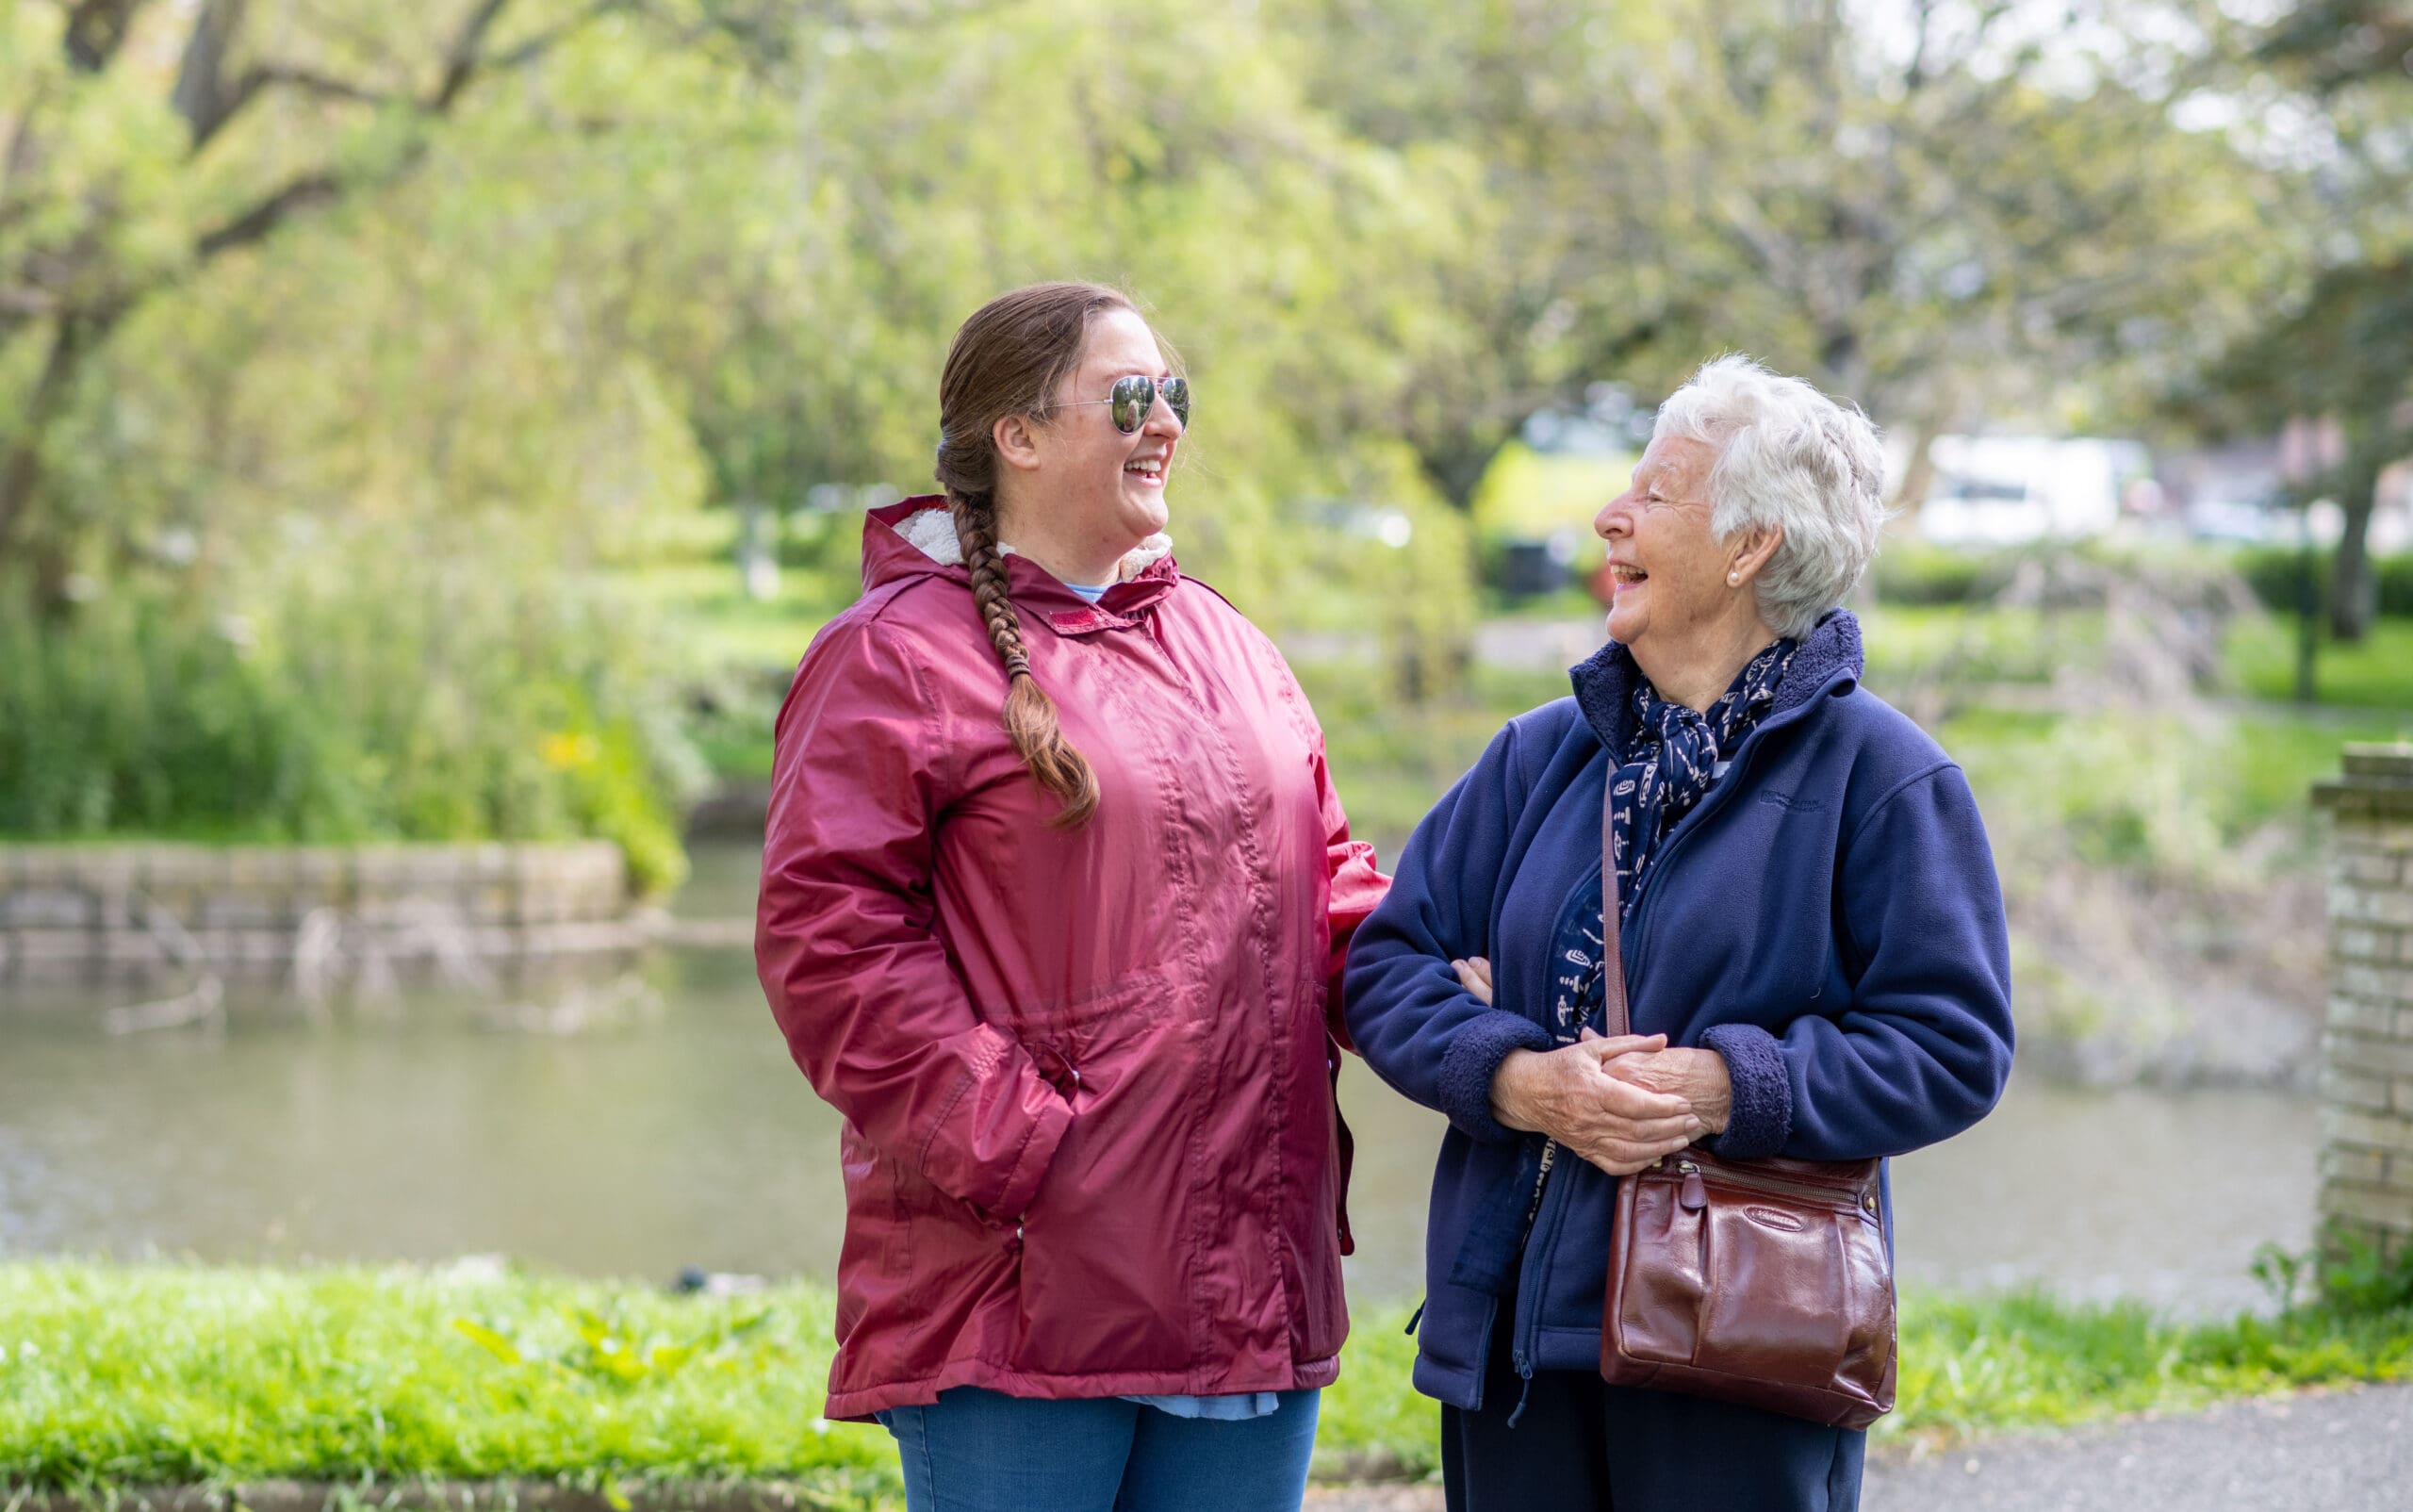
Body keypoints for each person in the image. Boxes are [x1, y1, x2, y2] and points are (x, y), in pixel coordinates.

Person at [755, 282, 1387, 1512]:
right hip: (1027, 1289)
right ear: (1020, 435)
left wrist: (1472, 991)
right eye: (1132, 397)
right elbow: (829, 945)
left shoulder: (1234, 649)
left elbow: (1332, 892)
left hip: (1249, 1278)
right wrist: (1024, 1145)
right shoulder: (892, 653)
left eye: (1176, 396)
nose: (1169, 426)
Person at [1344, 355, 2015, 1511]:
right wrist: (1518, 1075)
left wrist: (1721, 1085)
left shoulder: (1885, 779)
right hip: (1515, 1337)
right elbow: (1387, 966)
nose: (1610, 516)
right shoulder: (1535, 755)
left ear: (1751, 543)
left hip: (1743, 1342)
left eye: (1655, 495)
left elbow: (1951, 1046)